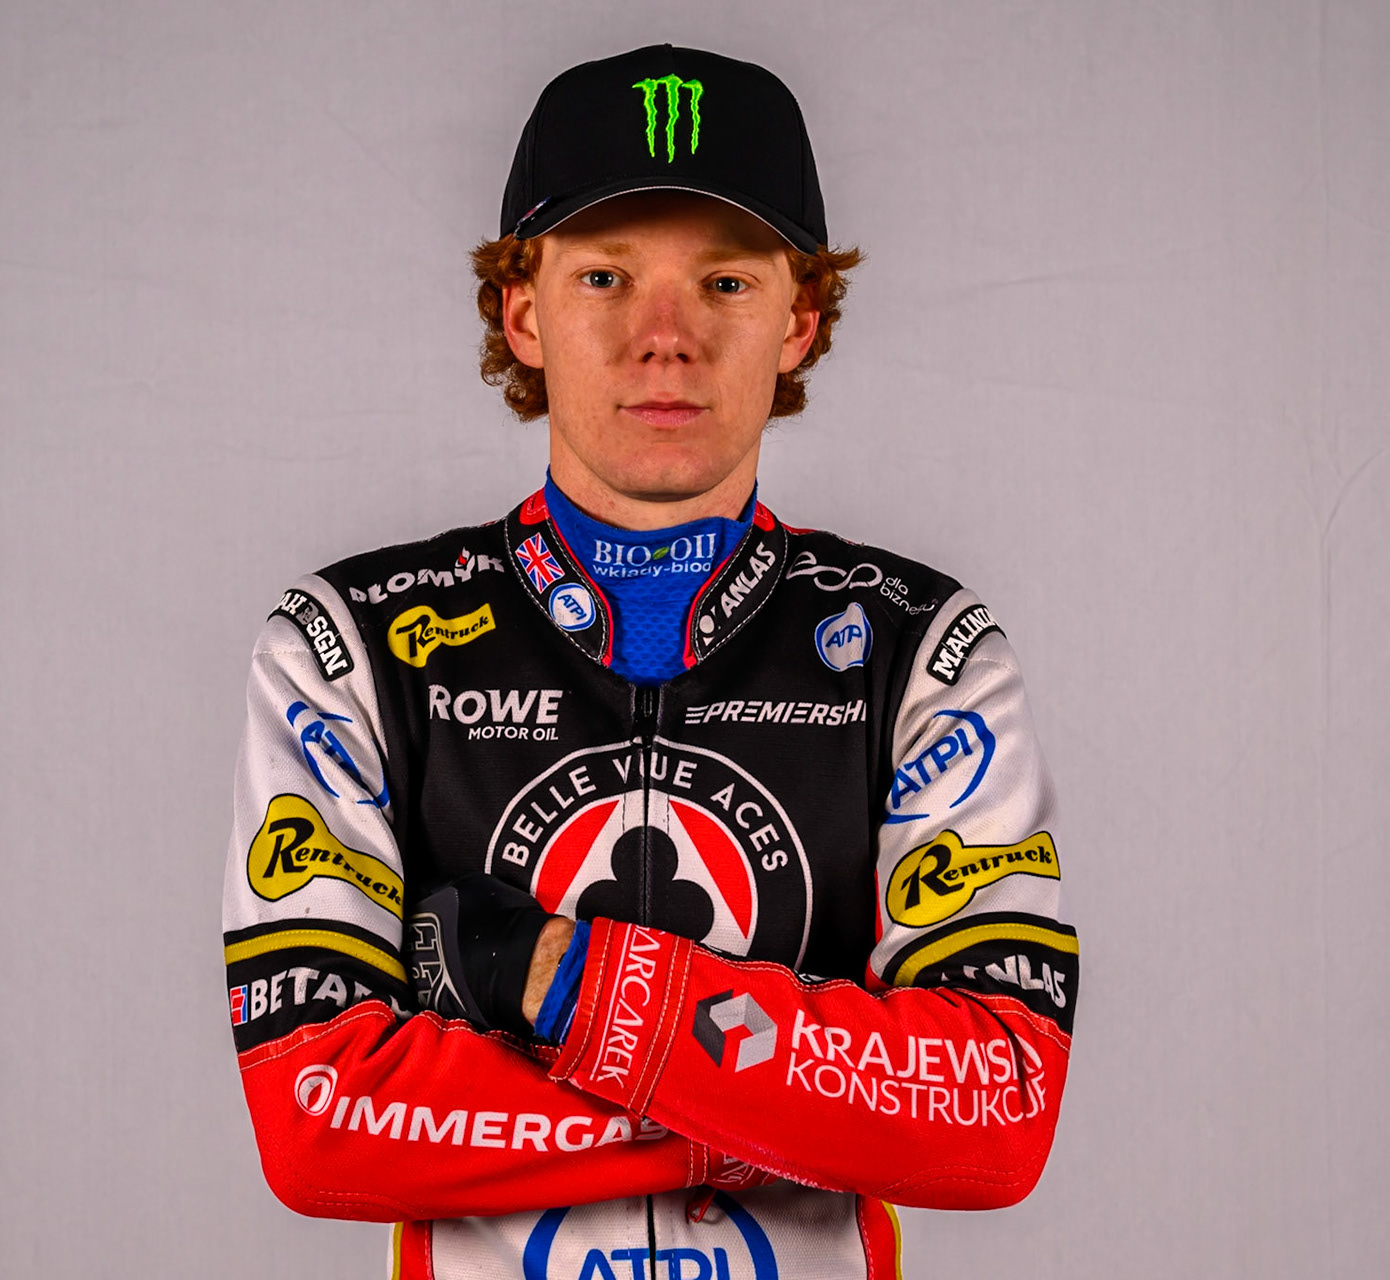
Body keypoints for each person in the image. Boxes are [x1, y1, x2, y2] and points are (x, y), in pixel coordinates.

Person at [222, 43, 1078, 1280]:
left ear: (802, 318)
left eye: (724, 282)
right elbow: (318, 1122)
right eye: (607, 275)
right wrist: (777, 1109)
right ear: (524, 311)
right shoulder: (349, 639)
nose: (664, 336)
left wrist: (558, 978)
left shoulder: (922, 646)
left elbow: (994, 1111)